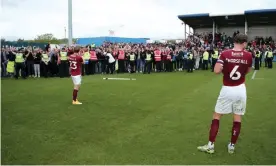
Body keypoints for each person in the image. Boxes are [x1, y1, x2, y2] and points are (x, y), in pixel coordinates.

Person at [197, 34, 252, 154]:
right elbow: (247, 70)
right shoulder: (248, 55)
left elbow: (216, 71)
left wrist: (225, 67)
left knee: (217, 116)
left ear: (234, 42)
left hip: (227, 88)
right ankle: (232, 146)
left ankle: (210, 145)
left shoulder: (225, 53)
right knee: (237, 117)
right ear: (244, 43)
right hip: (241, 89)